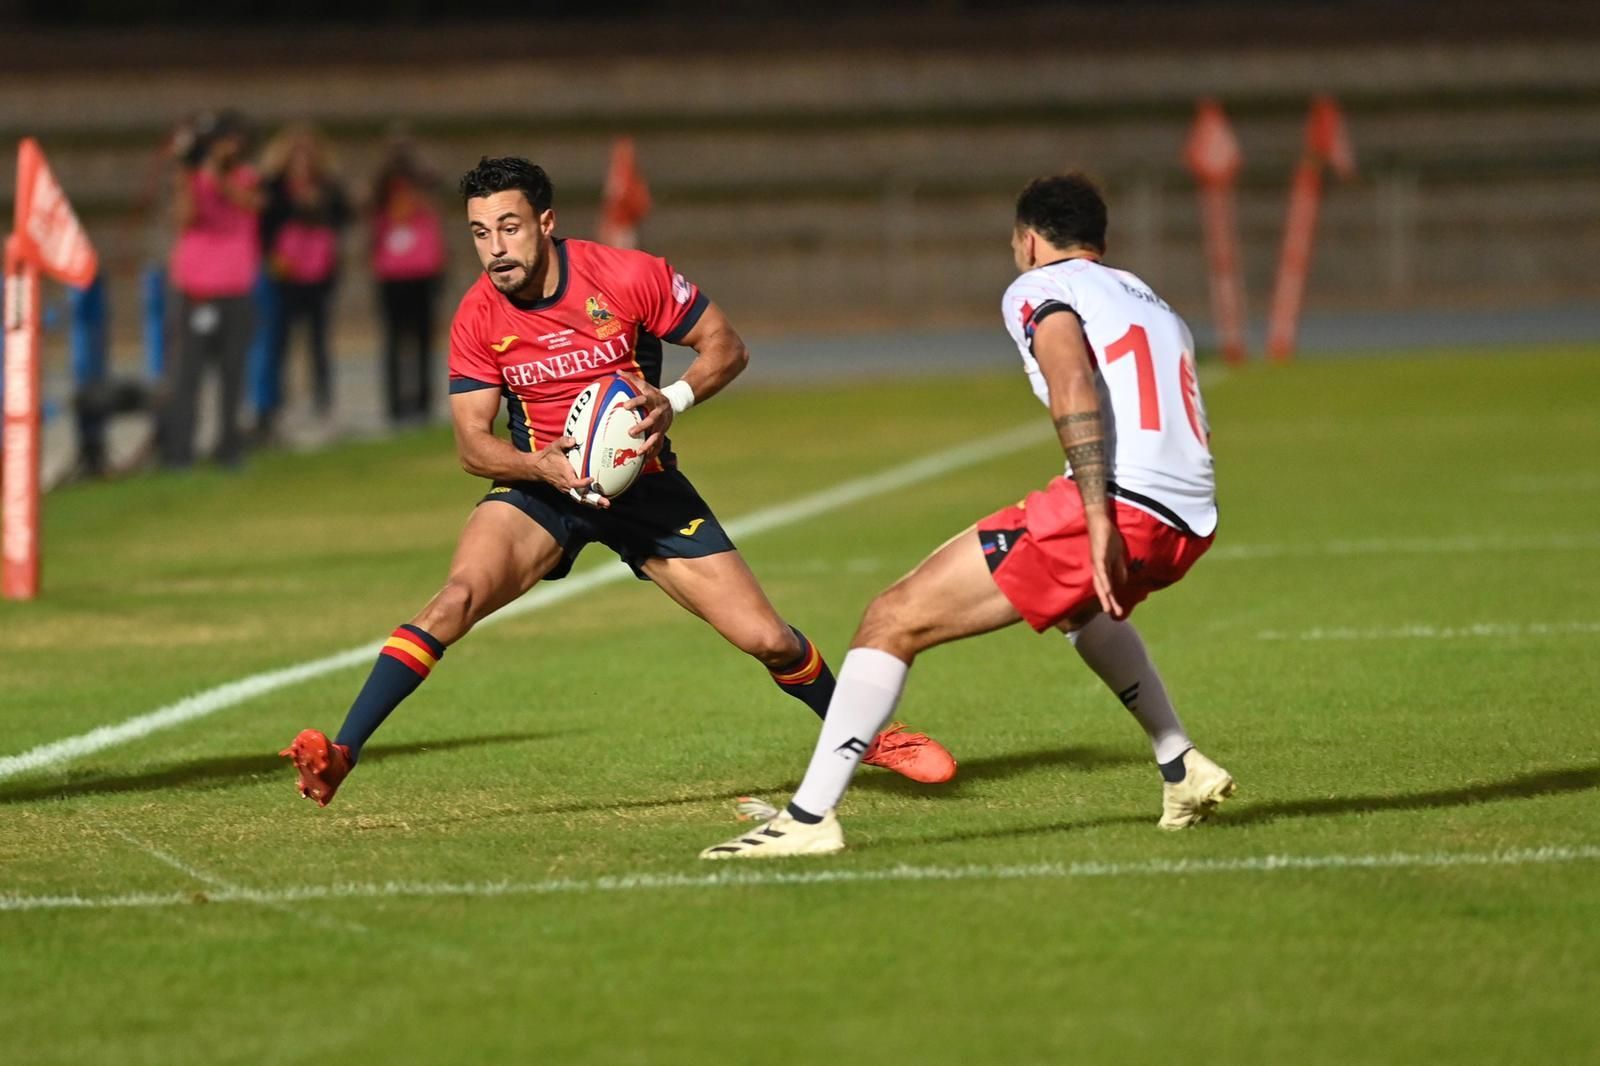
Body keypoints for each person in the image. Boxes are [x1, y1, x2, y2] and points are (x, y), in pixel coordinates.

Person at [280, 156, 956, 805]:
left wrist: (676, 398)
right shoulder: (478, 314)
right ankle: (343, 752)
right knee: (453, 600)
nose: (495, 249)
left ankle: (866, 736)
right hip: (542, 489)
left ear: (545, 223)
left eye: (508, 227)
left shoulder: (626, 275)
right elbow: (471, 445)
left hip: (647, 490)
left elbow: (726, 344)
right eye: (480, 233)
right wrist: (536, 465)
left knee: (769, 639)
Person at [701, 174, 1234, 859]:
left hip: (1120, 502)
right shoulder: (1157, 305)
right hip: (1188, 519)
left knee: (891, 618)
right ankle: (1181, 764)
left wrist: (1097, 511)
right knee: (1080, 612)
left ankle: (808, 819)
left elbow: (1070, 379)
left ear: (1031, 240)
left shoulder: (1041, 287)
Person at [160, 109, 262, 469]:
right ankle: (180, 450)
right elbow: (185, 218)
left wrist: (215, 175)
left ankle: (229, 447)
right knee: (188, 371)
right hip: (196, 287)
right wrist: (186, 174)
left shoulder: (246, 176)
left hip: (235, 286)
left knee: (233, 371)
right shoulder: (191, 178)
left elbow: (249, 203)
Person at [256, 123, 350, 438]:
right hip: (284, 274)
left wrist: (318, 204)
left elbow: (344, 216)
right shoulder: (273, 187)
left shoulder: (327, 186)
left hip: (318, 275)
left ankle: (322, 400)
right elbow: (263, 225)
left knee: (318, 342)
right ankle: (276, 403)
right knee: (278, 341)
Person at [369, 137, 448, 426]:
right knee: (394, 341)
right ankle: (396, 405)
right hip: (392, 274)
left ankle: (423, 402)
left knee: (424, 340)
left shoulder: (425, 189)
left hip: (423, 271)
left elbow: (438, 182)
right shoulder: (382, 191)